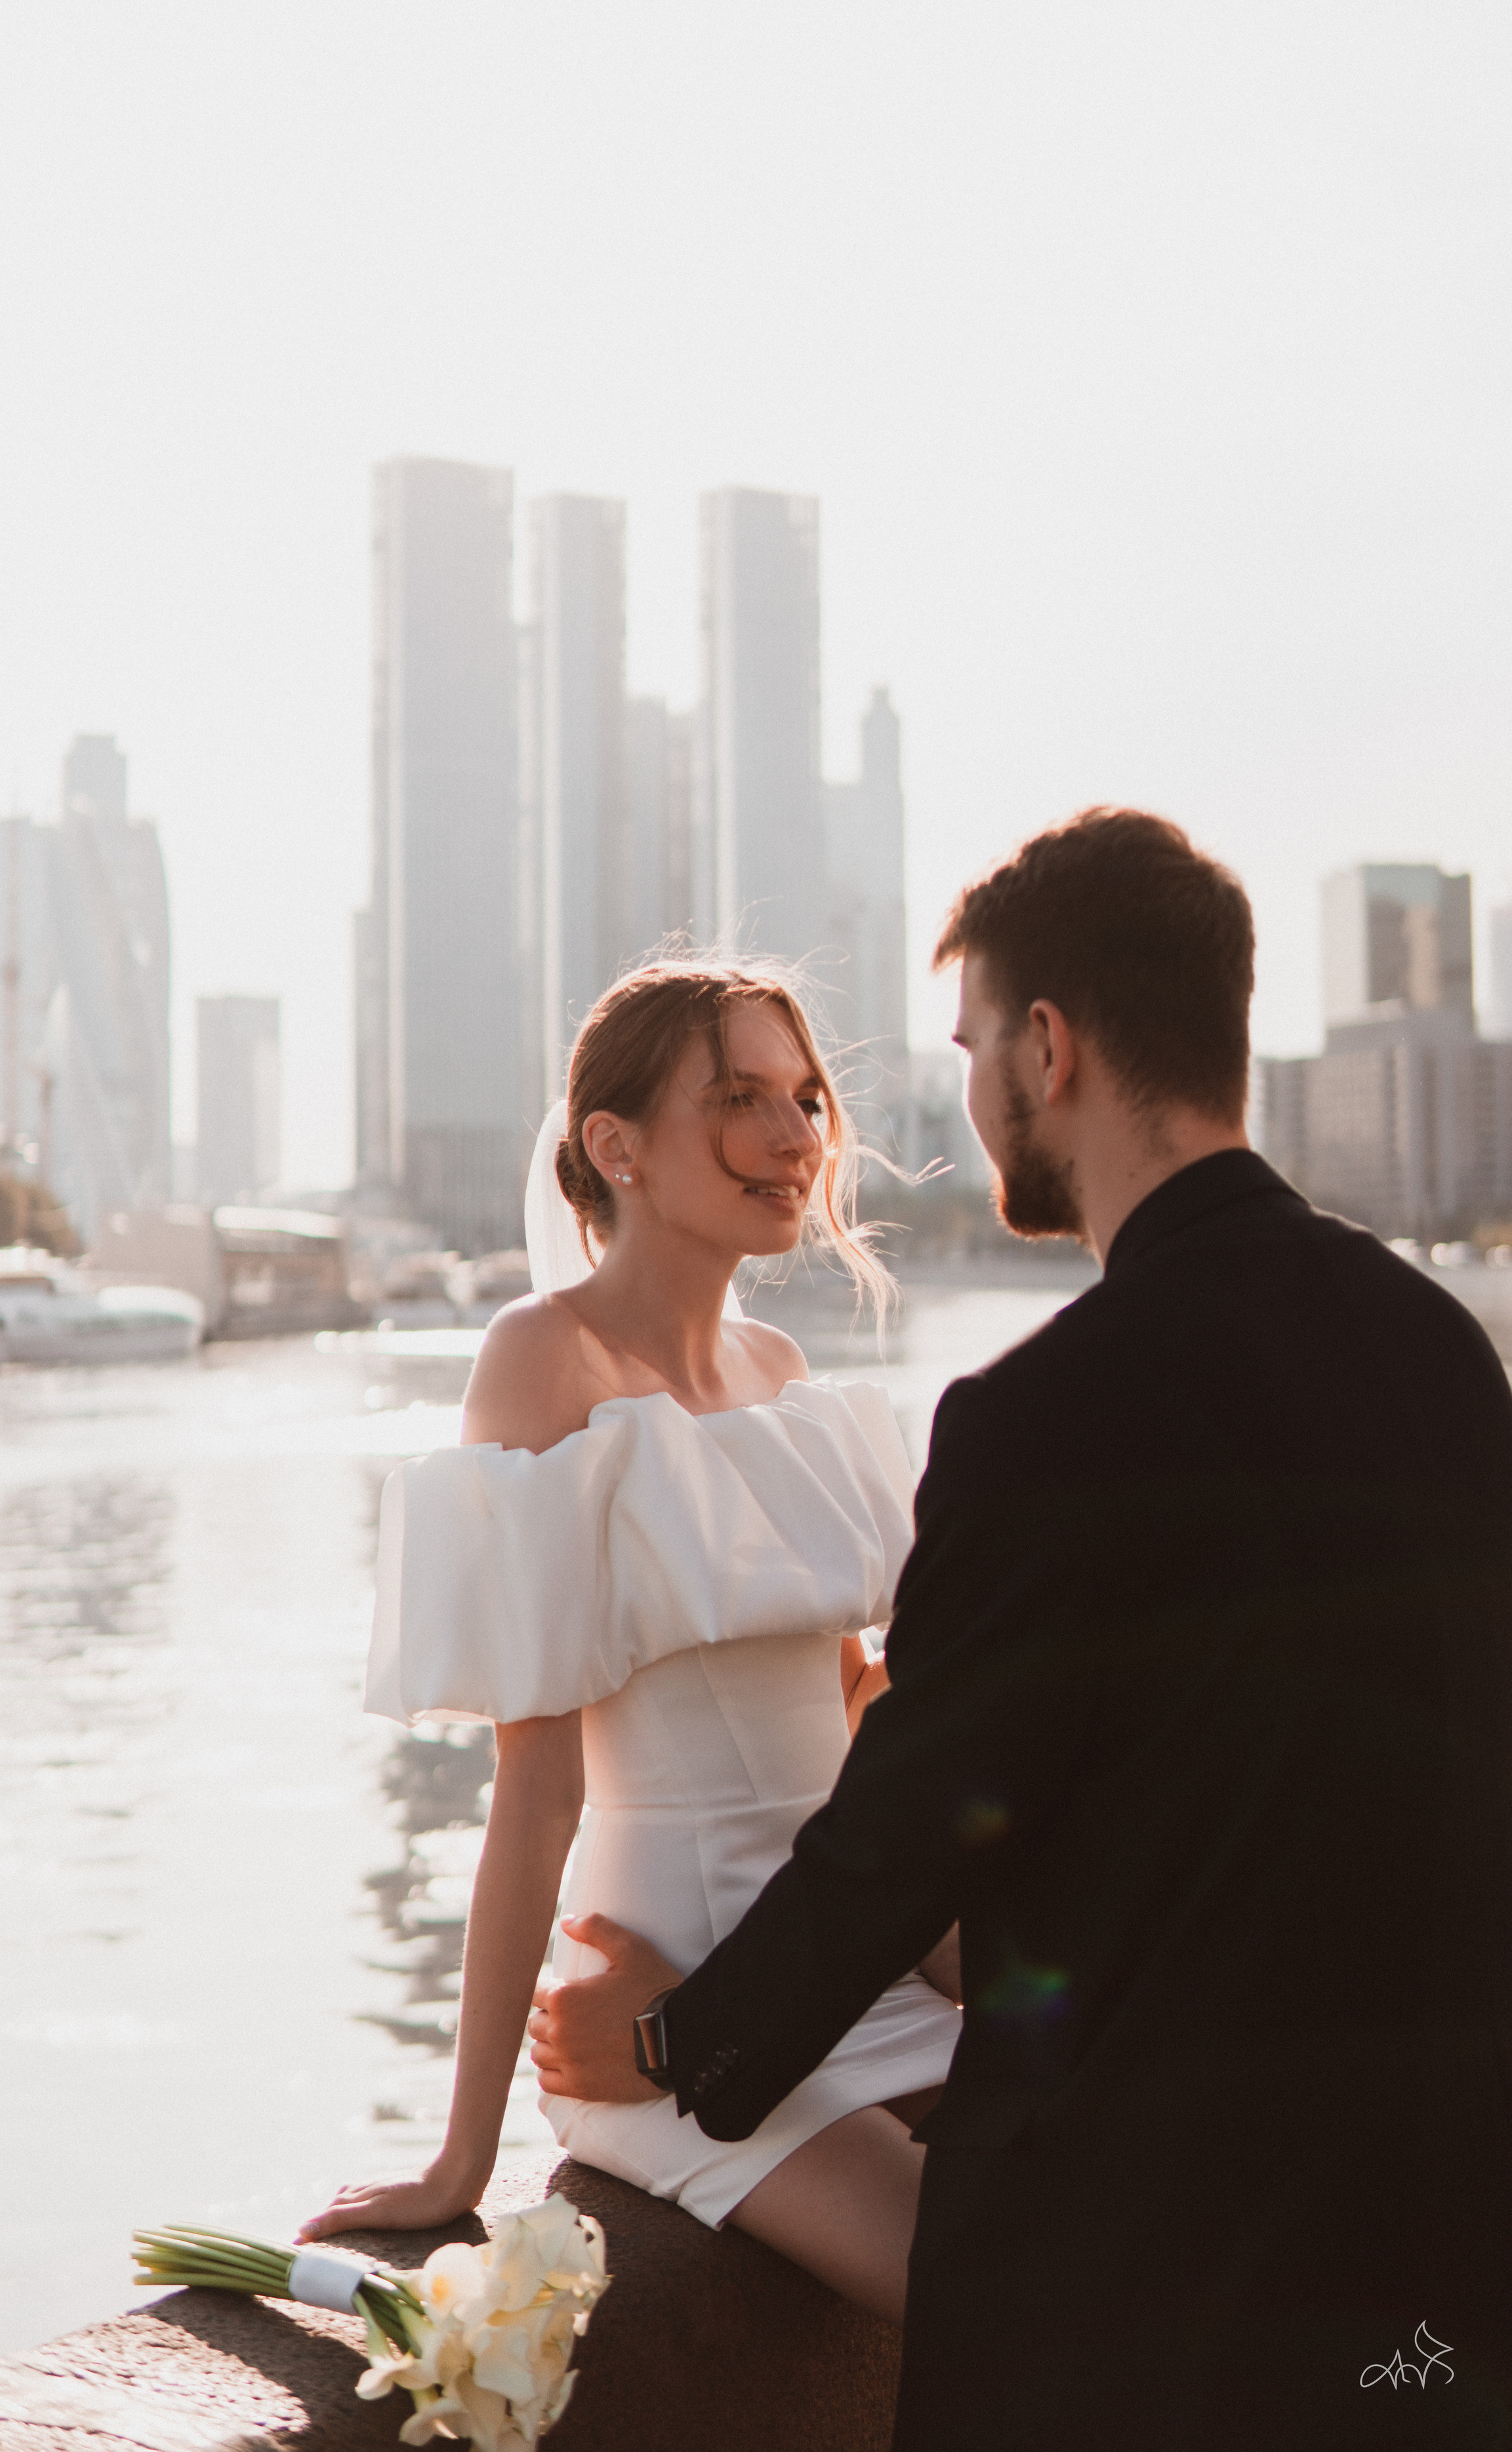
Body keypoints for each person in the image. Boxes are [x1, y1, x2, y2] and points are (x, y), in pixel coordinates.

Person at [531, 810, 1512, 2452]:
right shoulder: (1439, 1350)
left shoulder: (1040, 1416)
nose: (972, 1094)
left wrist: (662, 2036)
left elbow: (902, 1842)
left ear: (1046, 1047)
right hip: (1429, 2282)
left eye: (977, 1042)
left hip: (1156, 2297)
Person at [298, 962, 963, 2321]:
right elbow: (535, 1786)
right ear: (614, 1147)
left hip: (847, 1972)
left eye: (805, 1096)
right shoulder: (543, 1357)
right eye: (738, 1097)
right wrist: (461, 2155)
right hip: (666, 2030)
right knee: (977, 2286)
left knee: (1137, 2198)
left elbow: (857, 1721)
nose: (796, 1137)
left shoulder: (785, 1375)